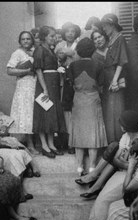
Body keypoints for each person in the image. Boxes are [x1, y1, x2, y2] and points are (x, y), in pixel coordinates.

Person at [71, 111, 138, 220]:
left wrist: (125, 162)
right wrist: (126, 162)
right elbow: (116, 160)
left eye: (122, 124)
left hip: (133, 177)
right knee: (102, 198)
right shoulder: (125, 137)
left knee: (105, 199)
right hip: (122, 173)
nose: (120, 126)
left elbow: (136, 166)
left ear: (127, 125)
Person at [0, 93, 40, 179]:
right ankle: (30, 167)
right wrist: (5, 144)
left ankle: (32, 165)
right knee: (12, 144)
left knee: (13, 140)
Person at [68, 37, 108, 175]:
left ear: (78, 50)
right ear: (92, 50)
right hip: (93, 99)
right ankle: (92, 167)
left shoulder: (73, 65)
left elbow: (70, 84)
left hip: (78, 99)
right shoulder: (98, 65)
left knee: (79, 133)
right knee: (93, 133)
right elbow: (101, 84)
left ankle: (79, 167)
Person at [33, 26, 66, 158]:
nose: (54, 38)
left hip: (53, 85)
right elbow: (38, 70)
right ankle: (44, 146)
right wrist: (45, 89)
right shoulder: (39, 50)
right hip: (45, 85)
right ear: (44, 37)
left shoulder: (50, 50)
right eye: (51, 36)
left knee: (52, 114)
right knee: (43, 113)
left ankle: (51, 144)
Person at [7, 31, 38, 155]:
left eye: (28, 39)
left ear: (32, 40)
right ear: (20, 41)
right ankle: (30, 145)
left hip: (36, 84)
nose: (26, 41)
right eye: (23, 39)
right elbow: (9, 71)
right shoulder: (17, 53)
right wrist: (26, 70)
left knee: (36, 113)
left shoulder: (36, 51)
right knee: (26, 114)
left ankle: (40, 143)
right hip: (24, 87)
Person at [100, 13, 129, 144]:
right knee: (109, 111)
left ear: (112, 25)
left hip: (114, 77)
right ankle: (111, 142)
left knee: (115, 110)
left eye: (105, 26)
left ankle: (117, 142)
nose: (104, 29)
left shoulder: (120, 38)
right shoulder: (111, 40)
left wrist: (115, 80)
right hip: (108, 77)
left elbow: (121, 62)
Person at [54, 22, 81, 154]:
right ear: (64, 33)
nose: (70, 33)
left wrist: (71, 53)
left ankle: (74, 142)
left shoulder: (79, 44)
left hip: (75, 81)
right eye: (68, 31)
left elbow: (80, 60)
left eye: (73, 31)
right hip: (61, 81)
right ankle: (64, 141)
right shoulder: (59, 45)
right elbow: (56, 60)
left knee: (74, 111)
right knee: (63, 111)